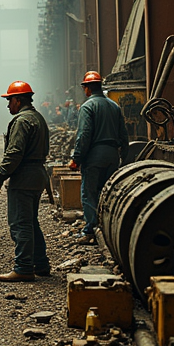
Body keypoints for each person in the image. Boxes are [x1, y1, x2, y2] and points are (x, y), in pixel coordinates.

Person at [0, 81, 51, 282]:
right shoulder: (38, 118)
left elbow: (14, 152)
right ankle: (41, 265)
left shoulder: (21, 121)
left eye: (10, 101)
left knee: (20, 223)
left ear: (18, 100)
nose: (8, 105)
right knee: (32, 222)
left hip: (24, 177)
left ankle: (24, 267)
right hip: (37, 175)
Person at [70, 70, 128, 245]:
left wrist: (77, 158)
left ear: (87, 89)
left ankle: (91, 230)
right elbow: (123, 135)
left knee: (89, 193)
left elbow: (84, 135)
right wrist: (123, 157)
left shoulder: (87, 106)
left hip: (95, 155)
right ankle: (107, 227)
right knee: (108, 192)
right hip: (112, 155)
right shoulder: (114, 106)